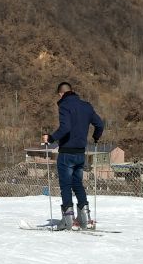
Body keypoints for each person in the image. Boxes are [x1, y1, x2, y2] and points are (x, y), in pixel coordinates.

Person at [42, 81, 104, 230]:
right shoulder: (86, 106)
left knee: (66, 185)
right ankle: (85, 218)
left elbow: (66, 127)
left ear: (61, 94)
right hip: (80, 153)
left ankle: (68, 220)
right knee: (77, 184)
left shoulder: (64, 106)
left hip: (66, 153)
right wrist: (96, 137)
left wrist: (50, 138)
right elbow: (100, 124)